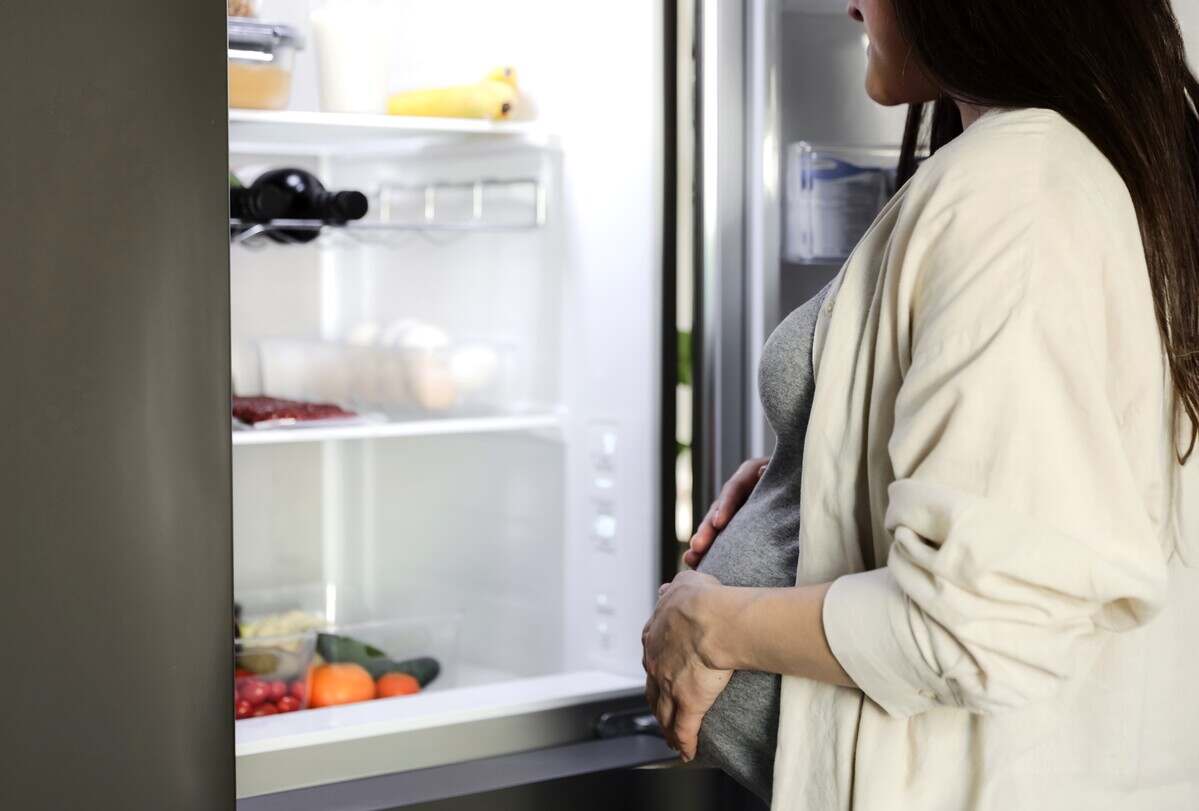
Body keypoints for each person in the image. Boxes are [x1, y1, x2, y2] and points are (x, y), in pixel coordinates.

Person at [641, 0, 1199, 808]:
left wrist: (713, 621)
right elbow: (1066, 474)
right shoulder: (1073, 169)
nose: (852, 3)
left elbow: (983, 622)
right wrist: (812, 467)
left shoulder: (1020, 187)